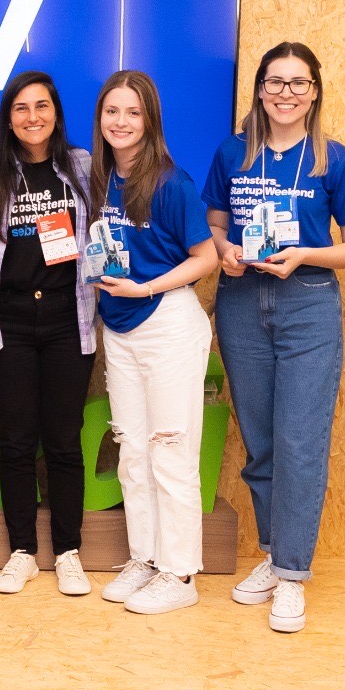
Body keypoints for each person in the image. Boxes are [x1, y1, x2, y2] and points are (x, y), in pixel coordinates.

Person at [202, 44, 345, 632]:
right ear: (259, 88)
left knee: (300, 443)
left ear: (315, 92)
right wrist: (224, 250)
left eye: (299, 83)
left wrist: (304, 254)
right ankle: (274, 556)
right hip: (242, 302)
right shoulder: (233, 153)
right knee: (262, 443)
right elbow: (215, 222)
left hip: (308, 304)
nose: (286, 93)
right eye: (276, 82)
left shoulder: (334, 159)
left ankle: (294, 574)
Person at [87, 71, 218, 615]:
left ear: (150, 120)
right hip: (119, 328)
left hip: (167, 323)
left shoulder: (170, 183)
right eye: (112, 111)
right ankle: (145, 557)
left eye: (133, 112)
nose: (121, 122)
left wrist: (144, 287)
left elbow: (206, 258)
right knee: (133, 451)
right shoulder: (100, 179)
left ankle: (179, 573)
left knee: (170, 450)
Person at [0, 70, 96, 597]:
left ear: (56, 114)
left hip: (68, 319)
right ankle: (22, 552)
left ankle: (67, 552)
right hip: (8, 321)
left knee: (63, 442)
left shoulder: (83, 167)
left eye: (42, 106)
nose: (32, 117)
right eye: (21, 108)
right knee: (17, 443)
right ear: (8, 118)